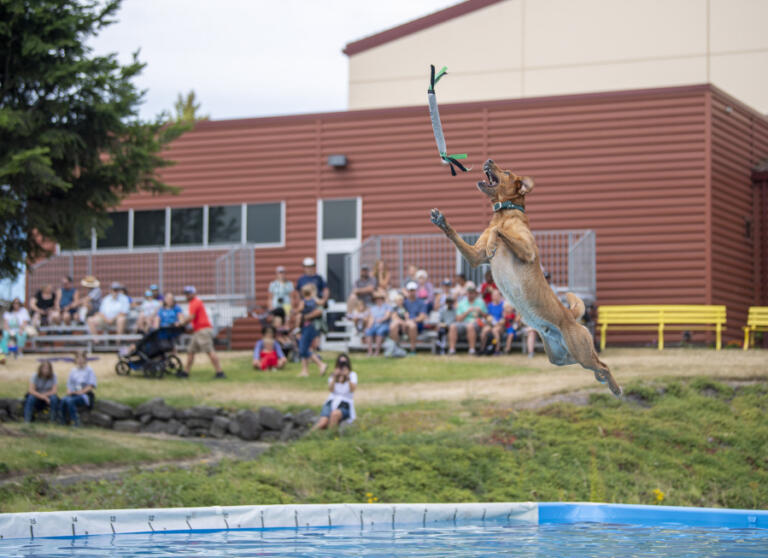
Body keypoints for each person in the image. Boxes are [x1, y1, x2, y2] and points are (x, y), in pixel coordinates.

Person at [179, 285, 225, 379]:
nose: (187, 296)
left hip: (203, 330)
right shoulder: (194, 302)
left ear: (194, 293)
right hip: (198, 331)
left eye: (189, 293)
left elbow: (192, 317)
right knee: (191, 351)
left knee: (209, 351)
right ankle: (185, 372)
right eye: (186, 294)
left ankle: (220, 372)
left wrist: (181, 322)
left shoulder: (195, 302)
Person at [311, 353, 357, 431]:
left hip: (345, 403)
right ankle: (308, 436)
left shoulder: (352, 374)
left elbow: (352, 390)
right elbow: (331, 390)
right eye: (340, 363)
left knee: (334, 414)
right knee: (323, 422)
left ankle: (330, 436)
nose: (342, 366)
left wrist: (347, 377)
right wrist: (335, 377)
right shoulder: (333, 375)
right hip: (331, 401)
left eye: (344, 363)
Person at [296, 283, 328, 377]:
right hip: (311, 326)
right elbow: (322, 303)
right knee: (304, 347)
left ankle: (321, 364)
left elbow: (299, 310)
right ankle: (305, 371)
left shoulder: (303, 301)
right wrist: (324, 298)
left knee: (303, 349)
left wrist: (295, 311)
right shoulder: (315, 300)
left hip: (306, 326)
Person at [447, 281, 487, 355]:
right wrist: (467, 312)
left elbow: (486, 317)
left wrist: (480, 312)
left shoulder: (481, 302)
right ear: (466, 293)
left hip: (476, 323)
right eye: (469, 293)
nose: (470, 295)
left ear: (475, 293)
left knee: (470, 326)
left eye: (472, 293)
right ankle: (452, 350)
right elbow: (458, 319)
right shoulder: (462, 303)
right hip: (463, 322)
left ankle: (472, 350)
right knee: (452, 326)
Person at [390, 281, 427, 354]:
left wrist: (413, 320)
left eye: (413, 290)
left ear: (416, 291)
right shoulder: (403, 302)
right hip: (404, 322)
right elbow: (396, 313)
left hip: (416, 323)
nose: (412, 292)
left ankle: (412, 349)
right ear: (408, 291)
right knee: (393, 326)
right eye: (410, 290)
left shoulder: (421, 302)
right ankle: (395, 348)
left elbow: (422, 316)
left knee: (412, 325)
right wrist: (403, 321)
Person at [60, 351, 96, 427]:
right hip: (74, 393)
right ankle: (63, 421)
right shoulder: (73, 371)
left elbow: (91, 385)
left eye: (81, 358)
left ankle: (76, 421)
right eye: (78, 358)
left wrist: (81, 392)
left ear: (85, 360)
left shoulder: (89, 370)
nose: (80, 360)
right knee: (63, 400)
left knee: (70, 401)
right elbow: (69, 384)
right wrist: (69, 391)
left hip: (84, 395)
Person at [365, 290, 391, 357]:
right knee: (368, 331)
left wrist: (381, 320)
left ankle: (377, 351)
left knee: (380, 331)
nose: (378, 300)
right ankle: (370, 351)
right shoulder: (373, 308)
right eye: (377, 299)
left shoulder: (387, 306)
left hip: (384, 324)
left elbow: (387, 316)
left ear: (382, 299)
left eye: (380, 298)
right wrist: (369, 325)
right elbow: (371, 317)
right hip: (375, 324)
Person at [480, 289, 505, 355]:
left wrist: (498, 323)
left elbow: (504, 318)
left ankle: (497, 349)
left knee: (495, 330)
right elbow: (488, 316)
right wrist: (490, 320)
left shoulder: (503, 305)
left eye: (496, 295)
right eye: (493, 295)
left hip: (500, 325)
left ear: (500, 296)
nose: (495, 296)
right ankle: (482, 349)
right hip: (491, 324)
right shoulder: (489, 305)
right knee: (484, 330)